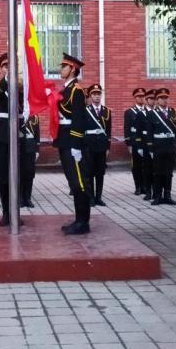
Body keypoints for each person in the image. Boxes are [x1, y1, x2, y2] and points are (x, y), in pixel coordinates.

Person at [55, 53, 91, 234]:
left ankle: (83, 222)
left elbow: (78, 119)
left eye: (64, 66)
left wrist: (76, 145)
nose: (61, 69)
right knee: (73, 182)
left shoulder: (76, 90)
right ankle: (79, 219)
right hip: (64, 139)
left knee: (79, 182)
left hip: (72, 140)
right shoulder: (66, 89)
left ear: (72, 69)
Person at [0, 52, 15, 226]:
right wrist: (8, 77)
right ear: (1, 68)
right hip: (2, 132)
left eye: (11, 65)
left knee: (19, 174)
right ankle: (6, 211)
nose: (8, 68)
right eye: (5, 66)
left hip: (18, 131)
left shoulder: (21, 86)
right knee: (2, 175)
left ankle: (16, 211)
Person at [149, 87, 176, 206]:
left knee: (169, 173)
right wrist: (150, 149)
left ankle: (167, 196)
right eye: (161, 98)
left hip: (170, 146)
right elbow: (149, 132)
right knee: (158, 172)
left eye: (166, 98)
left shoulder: (175, 112)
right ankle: (158, 196)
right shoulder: (152, 113)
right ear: (157, 100)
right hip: (158, 146)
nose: (164, 100)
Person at [84, 83, 112, 206]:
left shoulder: (107, 111)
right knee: (89, 172)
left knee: (100, 173)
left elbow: (108, 131)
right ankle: (90, 198)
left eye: (98, 94)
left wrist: (108, 147)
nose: (97, 96)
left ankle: (98, 197)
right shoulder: (85, 110)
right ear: (90, 96)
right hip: (89, 145)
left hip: (101, 145)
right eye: (94, 94)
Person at [124, 88, 147, 195]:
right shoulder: (129, 112)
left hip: (146, 142)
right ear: (135, 98)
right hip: (135, 142)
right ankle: (138, 187)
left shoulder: (149, 111)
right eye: (139, 96)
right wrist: (128, 144)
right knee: (136, 166)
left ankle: (145, 186)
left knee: (146, 165)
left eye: (143, 96)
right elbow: (127, 128)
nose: (141, 98)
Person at [19, 112, 40, 208]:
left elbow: (37, 134)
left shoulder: (35, 116)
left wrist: (37, 150)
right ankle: (19, 198)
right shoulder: (17, 115)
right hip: (20, 146)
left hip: (31, 146)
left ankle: (27, 198)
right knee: (20, 172)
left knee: (30, 173)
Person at [141, 88, 158, 201]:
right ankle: (148, 191)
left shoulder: (159, 113)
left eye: (154, 99)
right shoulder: (141, 113)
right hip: (146, 144)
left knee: (157, 169)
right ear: (146, 100)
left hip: (157, 144)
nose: (153, 101)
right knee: (147, 169)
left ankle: (156, 191)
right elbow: (138, 131)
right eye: (150, 99)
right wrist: (139, 146)